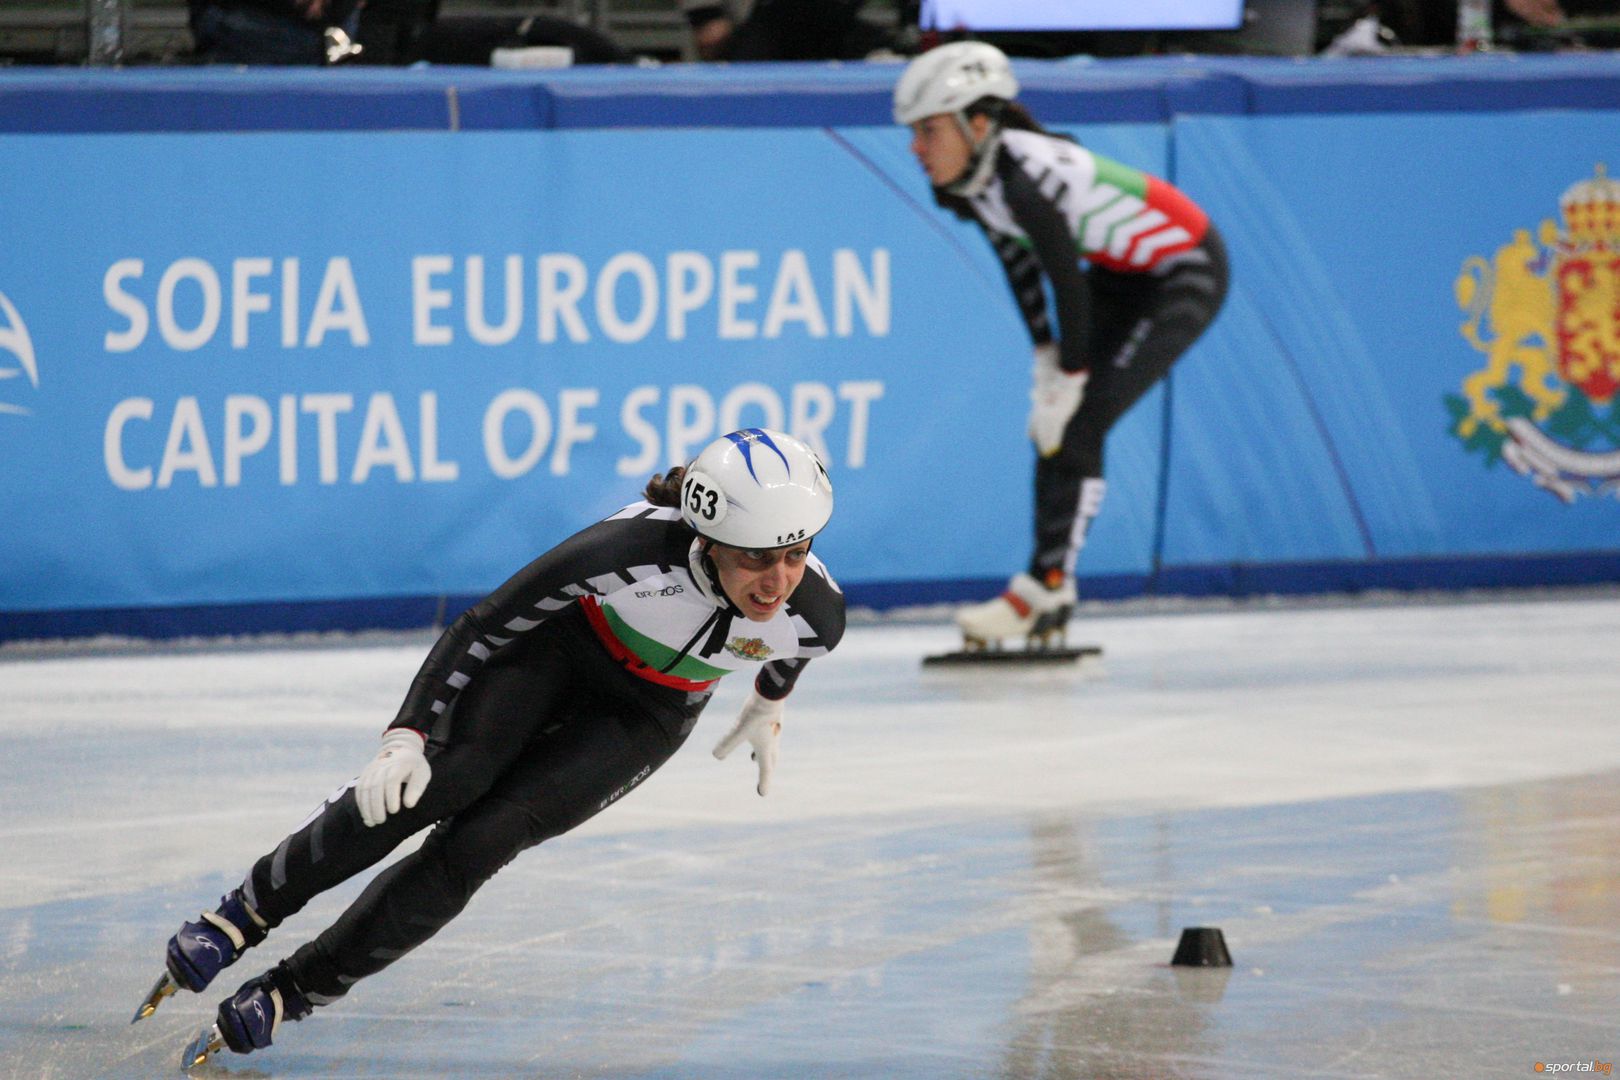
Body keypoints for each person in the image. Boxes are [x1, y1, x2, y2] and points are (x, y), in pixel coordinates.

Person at [136, 427, 844, 1064]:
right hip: (561, 649)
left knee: (483, 841)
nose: (777, 580)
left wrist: (767, 703)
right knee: (437, 783)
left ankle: (291, 993)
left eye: (795, 553)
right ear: (710, 538)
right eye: (756, 558)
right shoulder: (629, 551)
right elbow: (481, 626)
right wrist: (407, 734)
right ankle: (239, 917)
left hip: (652, 711)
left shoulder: (817, 613)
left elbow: (794, 648)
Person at [892, 42, 1228, 649]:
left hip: (1184, 269)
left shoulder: (1025, 180)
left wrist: (1070, 376)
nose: (916, 147)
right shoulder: (971, 177)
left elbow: (1064, 281)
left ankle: (1046, 587)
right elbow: (1018, 264)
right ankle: (1044, 589)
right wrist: (1047, 357)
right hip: (1123, 275)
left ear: (979, 122)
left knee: (1077, 426)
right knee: (1057, 432)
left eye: (929, 130)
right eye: (914, 131)